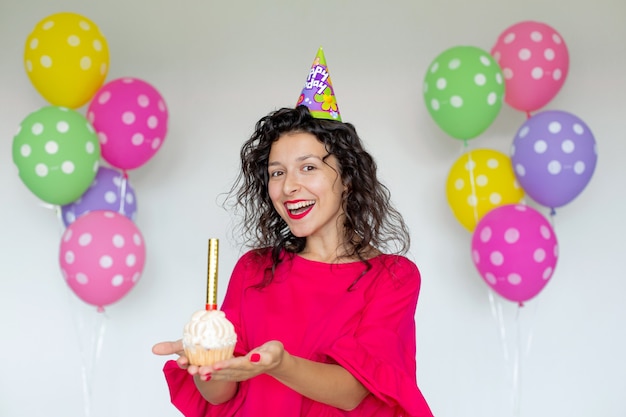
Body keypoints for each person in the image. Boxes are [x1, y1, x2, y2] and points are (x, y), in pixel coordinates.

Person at [152, 104, 434, 417]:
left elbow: (352, 392)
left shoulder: (393, 276)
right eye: (277, 172)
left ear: (347, 179)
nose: (288, 187)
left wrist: (281, 365)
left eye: (308, 167)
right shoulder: (254, 269)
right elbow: (219, 396)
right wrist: (204, 359)